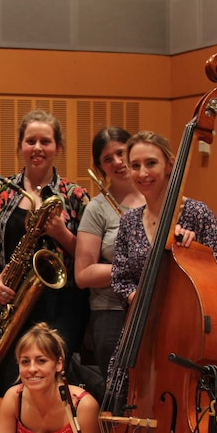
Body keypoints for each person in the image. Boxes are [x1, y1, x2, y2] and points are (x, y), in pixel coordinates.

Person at [106, 130, 217, 412]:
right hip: (141, 334)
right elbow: (120, 277)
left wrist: (194, 253)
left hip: (185, 335)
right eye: (135, 165)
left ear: (170, 165)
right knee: (125, 405)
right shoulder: (129, 222)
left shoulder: (198, 214)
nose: (142, 173)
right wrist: (134, 297)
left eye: (151, 163)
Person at [0, 109, 89, 395]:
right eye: (30, 141)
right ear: (20, 147)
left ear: (58, 147)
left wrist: (60, 233)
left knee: (55, 381)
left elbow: (87, 258)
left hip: (60, 305)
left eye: (46, 141)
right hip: (9, 301)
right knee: (13, 381)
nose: (37, 148)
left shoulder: (75, 196)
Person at [75, 127, 145, 401]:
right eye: (108, 159)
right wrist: (136, 268)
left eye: (121, 152)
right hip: (112, 313)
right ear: (99, 167)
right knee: (119, 397)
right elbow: (83, 274)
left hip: (159, 310)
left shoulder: (163, 201)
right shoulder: (98, 208)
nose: (117, 162)